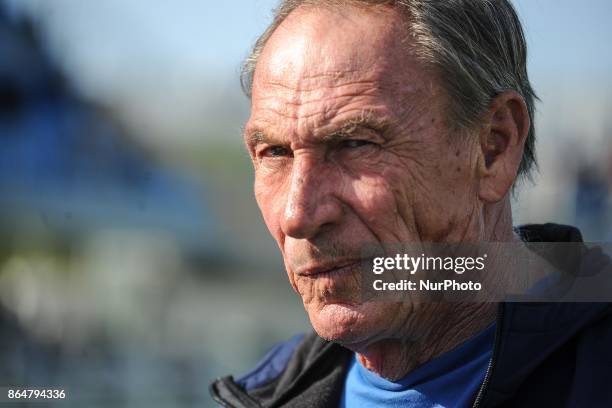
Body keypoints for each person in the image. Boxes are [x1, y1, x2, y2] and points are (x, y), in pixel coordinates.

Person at [210, 1, 612, 406]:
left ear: (494, 147)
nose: (297, 215)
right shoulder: (265, 390)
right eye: (275, 152)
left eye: (355, 144)